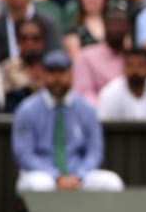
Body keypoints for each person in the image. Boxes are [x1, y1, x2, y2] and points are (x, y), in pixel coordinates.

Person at [11, 49, 125, 193]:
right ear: (44, 75)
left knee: (112, 182)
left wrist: (79, 175)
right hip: (41, 173)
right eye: (52, 73)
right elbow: (24, 155)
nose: (57, 78)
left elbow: (95, 151)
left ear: (71, 75)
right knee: (41, 185)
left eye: (62, 73)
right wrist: (56, 176)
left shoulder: (87, 109)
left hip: (78, 173)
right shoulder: (27, 109)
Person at [71, 2, 130, 106]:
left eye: (120, 23)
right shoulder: (86, 55)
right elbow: (83, 93)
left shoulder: (135, 57)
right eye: (112, 23)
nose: (116, 28)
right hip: (98, 115)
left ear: (128, 27)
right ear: (105, 25)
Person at [97, 47, 146, 120]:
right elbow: (105, 127)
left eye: (141, 65)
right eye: (130, 65)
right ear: (123, 68)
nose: (135, 70)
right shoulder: (109, 92)